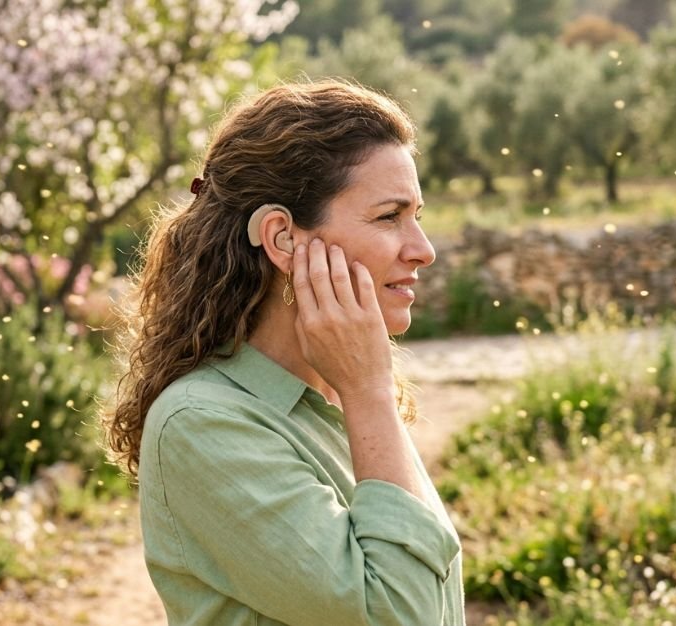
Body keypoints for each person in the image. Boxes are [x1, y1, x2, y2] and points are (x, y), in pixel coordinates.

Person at [103, 79, 464, 626]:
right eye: (390, 216)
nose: (423, 249)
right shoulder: (202, 424)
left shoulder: (337, 393)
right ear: (284, 239)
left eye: (417, 215)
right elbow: (401, 615)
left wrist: (363, 391)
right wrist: (369, 392)